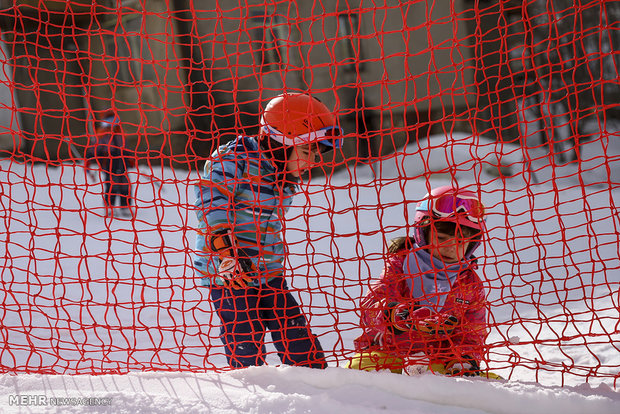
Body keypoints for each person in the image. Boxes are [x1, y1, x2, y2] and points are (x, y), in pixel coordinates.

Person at [193, 92, 343, 368]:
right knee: (245, 336)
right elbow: (210, 201)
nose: (314, 161)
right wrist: (226, 249)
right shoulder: (234, 159)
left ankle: (316, 381)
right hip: (230, 274)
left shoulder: (280, 173)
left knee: (295, 334)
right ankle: (253, 388)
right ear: (280, 142)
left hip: (268, 271)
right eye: (308, 151)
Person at [347, 185, 497, 378]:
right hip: (387, 355)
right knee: (356, 371)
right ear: (423, 234)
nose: (451, 248)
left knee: (489, 382)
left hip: (439, 363)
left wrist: (463, 360)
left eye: (460, 242)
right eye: (442, 239)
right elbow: (370, 308)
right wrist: (398, 315)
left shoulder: (469, 283)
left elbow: (473, 333)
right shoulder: (400, 265)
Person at [87, 109, 135, 219]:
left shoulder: (120, 133)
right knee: (112, 185)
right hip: (109, 163)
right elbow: (94, 149)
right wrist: (90, 157)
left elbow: (126, 147)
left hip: (122, 162)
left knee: (125, 185)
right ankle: (109, 205)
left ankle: (125, 205)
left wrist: (130, 158)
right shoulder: (102, 135)